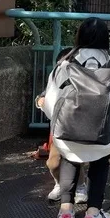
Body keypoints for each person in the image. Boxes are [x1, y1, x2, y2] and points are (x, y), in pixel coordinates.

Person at [41, 18, 110, 218]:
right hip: (102, 138)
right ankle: (92, 215)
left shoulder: (66, 64)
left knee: (70, 158)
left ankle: (65, 214)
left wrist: (61, 124)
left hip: (67, 134)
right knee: (100, 163)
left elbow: (51, 101)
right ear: (106, 39)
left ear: (79, 37)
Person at [35, 49, 88, 204]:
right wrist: (41, 101)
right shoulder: (56, 79)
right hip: (58, 126)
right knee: (53, 162)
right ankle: (60, 183)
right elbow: (43, 96)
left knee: (76, 159)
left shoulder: (84, 81)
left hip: (77, 126)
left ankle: (80, 186)